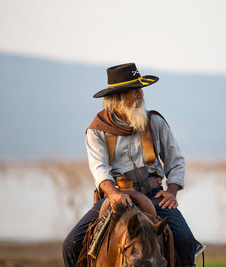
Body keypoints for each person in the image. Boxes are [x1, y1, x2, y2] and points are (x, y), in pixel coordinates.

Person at [62, 63, 197, 267]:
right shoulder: (96, 131)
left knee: (186, 241)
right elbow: (99, 169)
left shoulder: (155, 122)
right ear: (118, 98)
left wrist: (172, 191)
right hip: (116, 196)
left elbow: (176, 160)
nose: (141, 95)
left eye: (140, 89)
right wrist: (113, 193)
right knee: (71, 245)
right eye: (135, 91)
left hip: (154, 195)